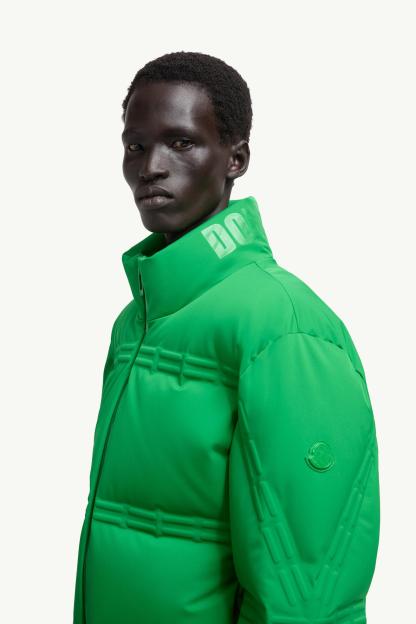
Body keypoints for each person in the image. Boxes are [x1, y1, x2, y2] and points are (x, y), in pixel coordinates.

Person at [73, 51, 380, 624]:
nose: (151, 167)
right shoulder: (137, 320)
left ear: (235, 158)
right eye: (135, 146)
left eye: (181, 143)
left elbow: (306, 589)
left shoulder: (284, 325)